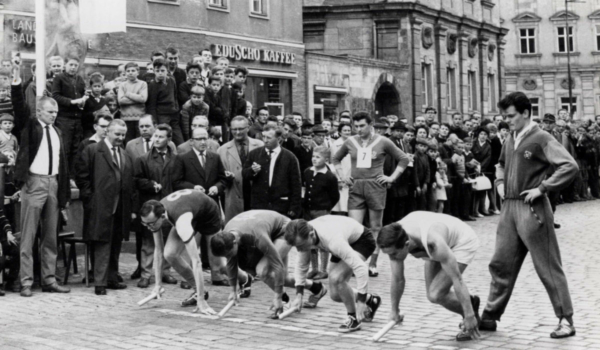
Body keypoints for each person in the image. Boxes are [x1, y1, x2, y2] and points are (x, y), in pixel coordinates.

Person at [480, 92, 578, 339]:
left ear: (525, 113)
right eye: (505, 116)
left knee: (547, 266)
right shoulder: (510, 138)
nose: (507, 120)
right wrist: (500, 182)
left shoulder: (541, 137)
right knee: (500, 264)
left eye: (511, 115)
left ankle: (566, 320)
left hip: (532, 208)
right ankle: (490, 316)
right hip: (509, 209)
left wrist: (543, 188)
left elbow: (569, 166)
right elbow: (500, 164)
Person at [378, 211, 481, 341]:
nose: (391, 258)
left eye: (393, 254)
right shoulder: (395, 237)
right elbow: (398, 279)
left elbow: (457, 279)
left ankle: (470, 316)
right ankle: (471, 303)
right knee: (432, 296)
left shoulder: (434, 244)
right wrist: (394, 310)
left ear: (407, 245)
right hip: (437, 236)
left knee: (436, 293)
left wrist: (469, 315)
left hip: (462, 241)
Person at [210, 210, 329, 318]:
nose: (228, 258)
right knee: (283, 278)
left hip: (284, 230)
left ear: (235, 243)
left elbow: (277, 265)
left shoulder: (256, 235)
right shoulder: (227, 235)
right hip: (267, 228)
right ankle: (317, 288)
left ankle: (283, 300)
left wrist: (277, 296)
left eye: (229, 253)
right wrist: (233, 290)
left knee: (263, 271)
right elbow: (231, 263)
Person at [332, 112, 409, 277]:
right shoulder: (351, 141)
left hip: (376, 186)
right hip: (356, 186)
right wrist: (343, 176)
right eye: (356, 126)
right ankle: (355, 263)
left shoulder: (383, 141)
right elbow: (336, 158)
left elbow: (403, 159)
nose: (359, 129)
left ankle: (373, 264)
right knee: (354, 228)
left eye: (362, 126)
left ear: (370, 124)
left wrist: (392, 178)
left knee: (375, 227)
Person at [284, 216, 381, 333]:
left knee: (337, 279)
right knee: (335, 295)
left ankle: (353, 318)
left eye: (300, 245)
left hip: (361, 240)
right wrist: (299, 295)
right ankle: (371, 300)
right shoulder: (303, 235)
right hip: (343, 238)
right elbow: (301, 266)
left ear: (311, 235)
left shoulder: (332, 240)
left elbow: (361, 268)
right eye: (296, 247)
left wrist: (360, 302)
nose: (299, 249)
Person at [15, 97, 71, 297]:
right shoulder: (31, 127)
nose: (53, 115)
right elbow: (20, 109)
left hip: (53, 183)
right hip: (34, 182)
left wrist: (62, 192)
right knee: (28, 235)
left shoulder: (57, 131)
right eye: (49, 112)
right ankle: (26, 282)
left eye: (55, 112)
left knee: (50, 236)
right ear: (39, 112)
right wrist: (16, 83)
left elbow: (62, 162)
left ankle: (49, 279)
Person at [139, 190, 223, 314]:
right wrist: (157, 285)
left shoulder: (181, 222)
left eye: (150, 224)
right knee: (170, 254)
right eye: (144, 224)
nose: (148, 227)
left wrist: (202, 302)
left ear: (162, 217)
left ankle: (244, 279)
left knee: (220, 264)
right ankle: (200, 291)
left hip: (208, 215)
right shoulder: (156, 213)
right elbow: (159, 251)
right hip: (190, 210)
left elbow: (197, 262)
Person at [76, 119, 134, 296]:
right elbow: (82, 177)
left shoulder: (124, 154)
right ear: (107, 132)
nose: (120, 137)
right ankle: (100, 282)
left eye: (123, 134)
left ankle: (112, 278)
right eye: (117, 134)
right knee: (102, 242)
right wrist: (91, 199)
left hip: (120, 206)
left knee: (115, 242)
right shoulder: (93, 150)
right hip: (100, 205)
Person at [133, 124, 178, 289]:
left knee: (167, 239)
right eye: (155, 136)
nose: (157, 139)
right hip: (151, 205)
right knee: (148, 241)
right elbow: (136, 181)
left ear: (169, 139)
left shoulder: (176, 158)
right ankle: (145, 274)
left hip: (169, 205)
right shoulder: (143, 159)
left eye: (161, 137)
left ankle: (166, 271)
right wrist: (150, 184)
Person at [242, 125, 302, 219]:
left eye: (269, 138)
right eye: (263, 137)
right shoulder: (254, 154)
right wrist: (252, 171)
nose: (265, 140)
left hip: (281, 207)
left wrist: (294, 208)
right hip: (259, 206)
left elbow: (296, 185)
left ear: (278, 139)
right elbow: (244, 174)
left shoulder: (290, 158)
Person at [217, 116, 264, 223]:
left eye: (241, 129)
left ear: (248, 128)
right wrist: (226, 176)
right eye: (234, 129)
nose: (237, 132)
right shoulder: (222, 150)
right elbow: (218, 176)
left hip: (256, 194)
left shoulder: (260, 146)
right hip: (233, 196)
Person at [303, 146, 340, 280]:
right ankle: (314, 269)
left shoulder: (329, 176)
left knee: (322, 240)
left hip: (322, 211)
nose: (314, 159)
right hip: (308, 211)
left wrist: (326, 208)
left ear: (326, 159)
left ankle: (323, 270)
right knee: (310, 241)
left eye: (318, 157)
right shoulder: (307, 172)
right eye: (313, 156)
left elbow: (335, 196)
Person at [52, 57, 87, 176]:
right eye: (71, 64)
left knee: (76, 149)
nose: (73, 67)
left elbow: (82, 95)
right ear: (65, 65)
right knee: (64, 148)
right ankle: (62, 176)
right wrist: (72, 102)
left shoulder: (80, 79)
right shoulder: (59, 78)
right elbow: (55, 96)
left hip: (77, 118)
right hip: (64, 118)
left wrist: (83, 101)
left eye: (75, 65)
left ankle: (72, 176)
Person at [146, 58, 183, 145]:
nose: (160, 73)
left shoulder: (171, 80)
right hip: (162, 116)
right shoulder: (152, 85)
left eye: (163, 70)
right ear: (154, 71)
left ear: (167, 70)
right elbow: (152, 106)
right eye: (157, 71)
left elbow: (175, 95)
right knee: (165, 140)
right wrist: (155, 122)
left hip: (174, 115)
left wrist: (176, 108)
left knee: (179, 140)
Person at [118, 62, 148, 142]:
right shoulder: (122, 85)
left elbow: (143, 99)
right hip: (126, 118)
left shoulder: (143, 84)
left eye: (133, 70)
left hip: (139, 118)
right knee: (128, 142)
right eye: (128, 71)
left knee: (140, 141)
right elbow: (121, 101)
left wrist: (128, 94)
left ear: (138, 72)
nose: (130, 73)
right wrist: (137, 98)